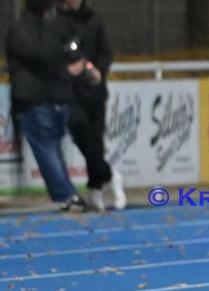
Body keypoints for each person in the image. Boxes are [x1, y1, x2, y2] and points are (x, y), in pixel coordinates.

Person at [6, 0, 87, 212]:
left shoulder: (25, 30)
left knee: (48, 148)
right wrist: (68, 63)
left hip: (40, 98)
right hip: (45, 96)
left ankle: (66, 195)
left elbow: (58, 52)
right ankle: (67, 193)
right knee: (50, 147)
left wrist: (70, 60)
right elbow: (59, 52)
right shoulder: (37, 29)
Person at [57, 0, 126, 211]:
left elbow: (106, 51)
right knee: (82, 134)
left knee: (95, 140)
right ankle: (109, 175)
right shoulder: (57, 21)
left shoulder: (94, 20)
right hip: (71, 92)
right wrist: (68, 68)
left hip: (94, 91)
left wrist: (98, 70)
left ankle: (96, 187)